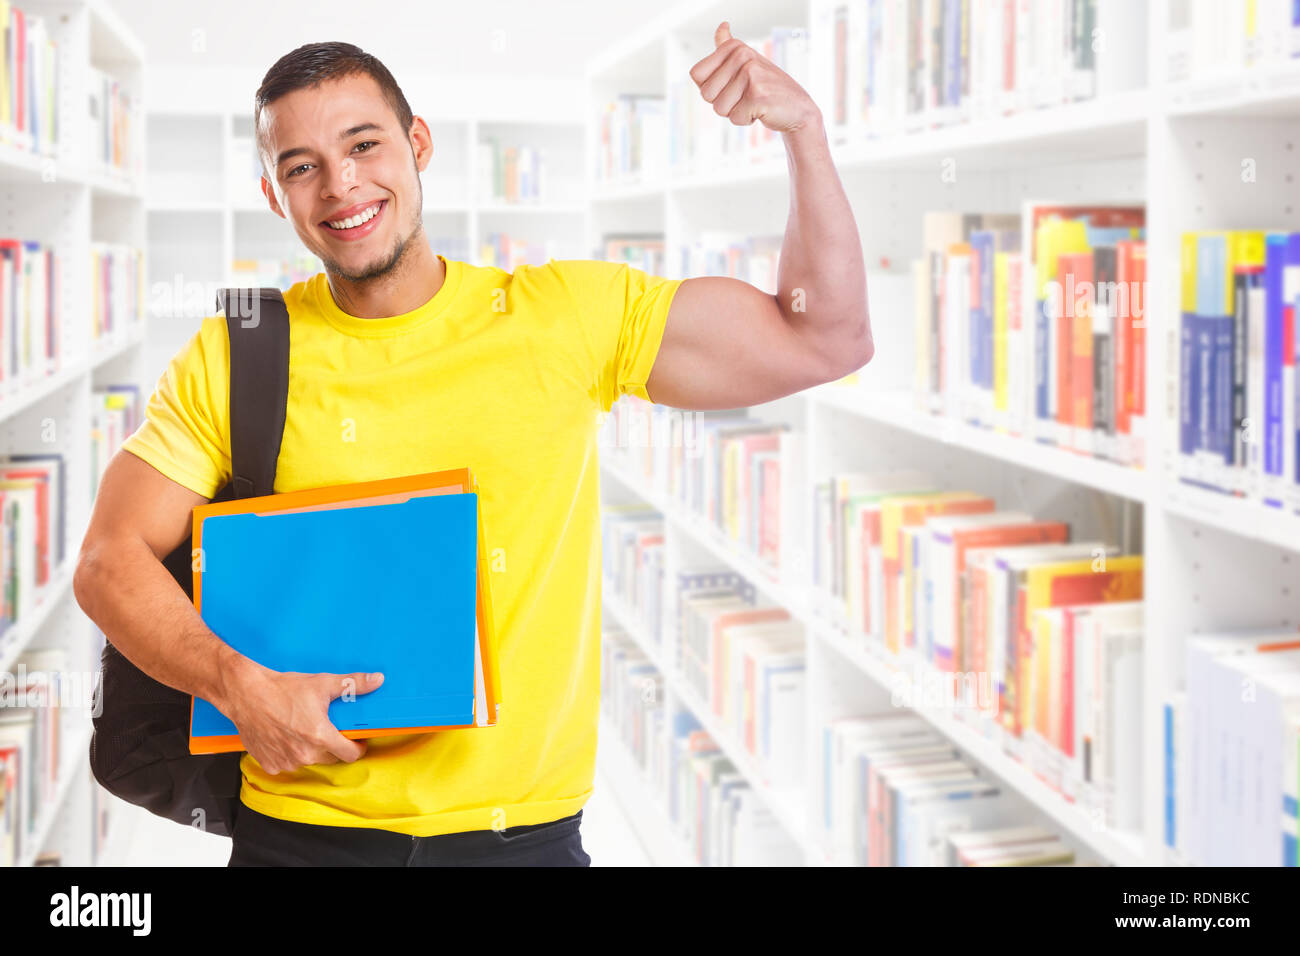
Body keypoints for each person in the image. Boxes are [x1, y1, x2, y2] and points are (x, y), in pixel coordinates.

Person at [73, 22, 873, 867]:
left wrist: (804, 134)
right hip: (300, 838)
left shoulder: (564, 315)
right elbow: (108, 559)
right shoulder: (239, 350)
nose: (341, 185)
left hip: (521, 838)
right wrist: (238, 686)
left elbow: (826, 337)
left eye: (364, 144)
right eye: (300, 166)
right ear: (276, 195)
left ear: (417, 145)